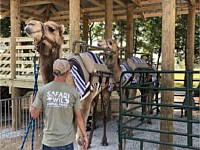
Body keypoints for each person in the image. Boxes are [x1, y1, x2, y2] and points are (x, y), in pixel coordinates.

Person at [29, 58, 88, 150]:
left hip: (49, 142)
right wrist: (85, 136)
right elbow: (79, 117)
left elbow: (34, 114)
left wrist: (31, 102)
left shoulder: (43, 90)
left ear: (53, 72)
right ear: (67, 72)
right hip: (66, 142)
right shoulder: (73, 92)